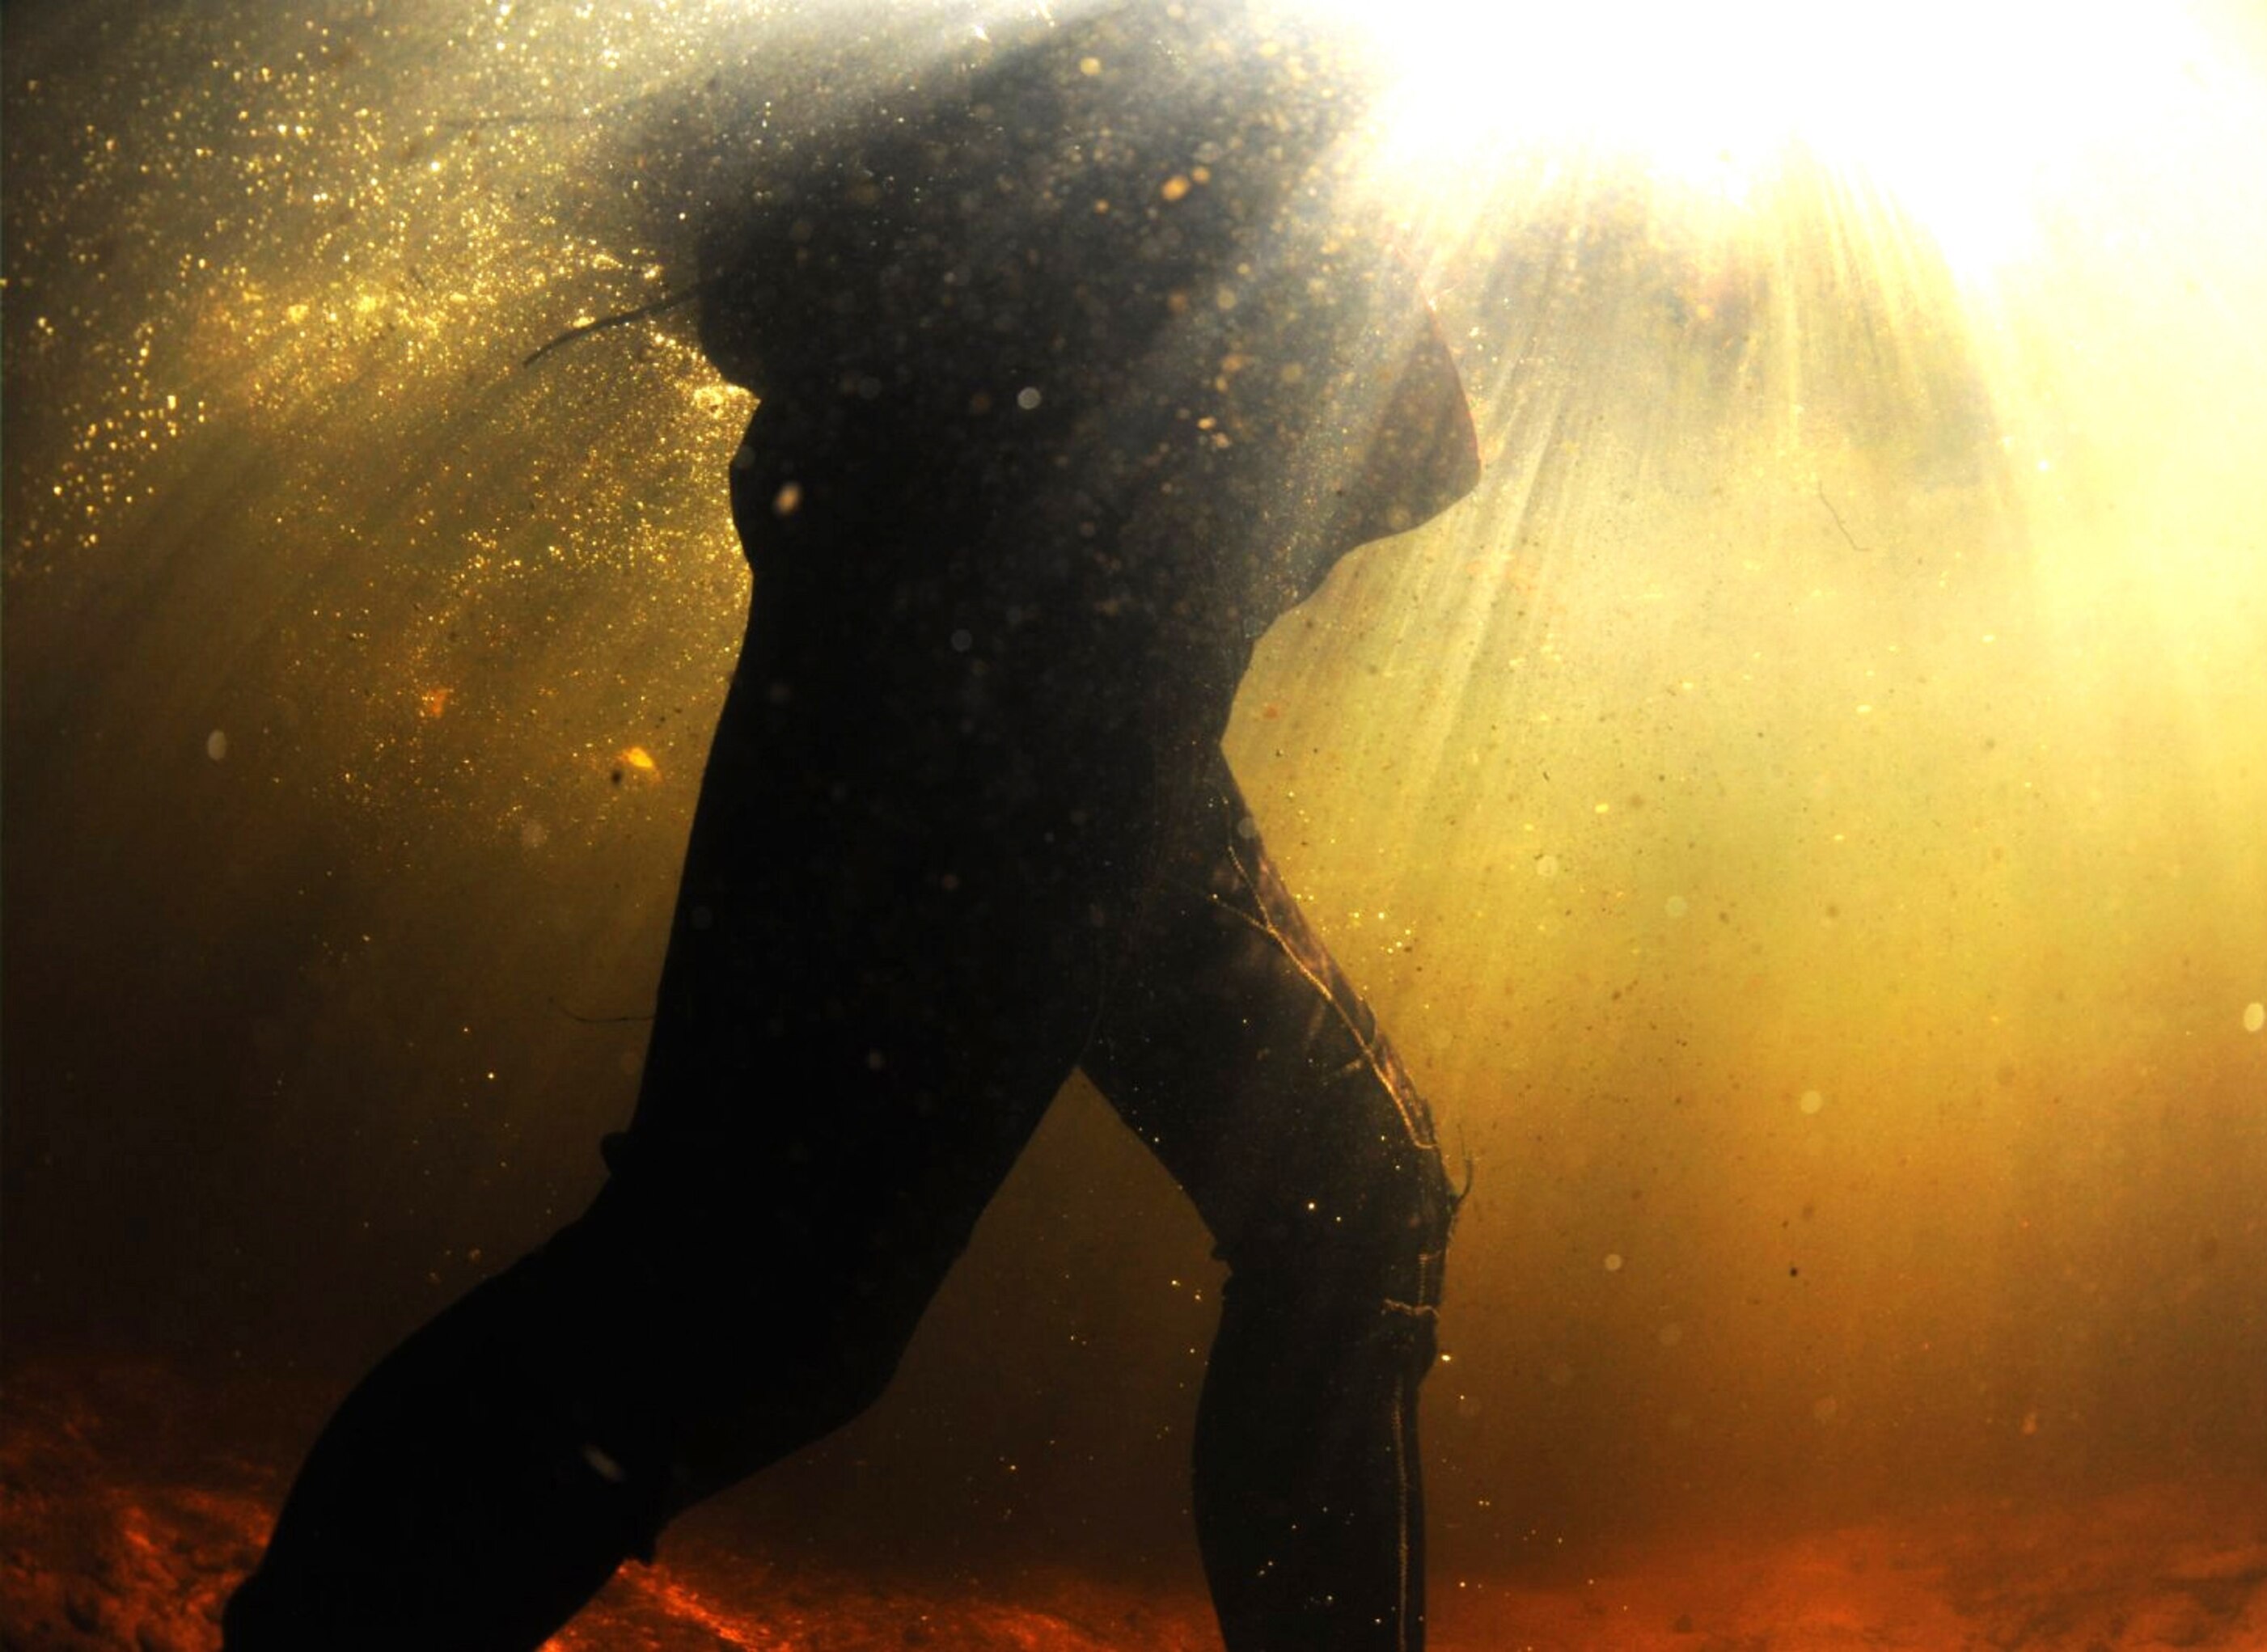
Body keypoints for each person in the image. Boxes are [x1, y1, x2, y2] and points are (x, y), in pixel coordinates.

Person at [223, 5, 1478, 1648]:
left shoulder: (1213, 116)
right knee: (752, 1307)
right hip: (1006, 673)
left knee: (1342, 1196)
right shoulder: (1178, 100)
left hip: (1061, 684)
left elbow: (1393, 427)